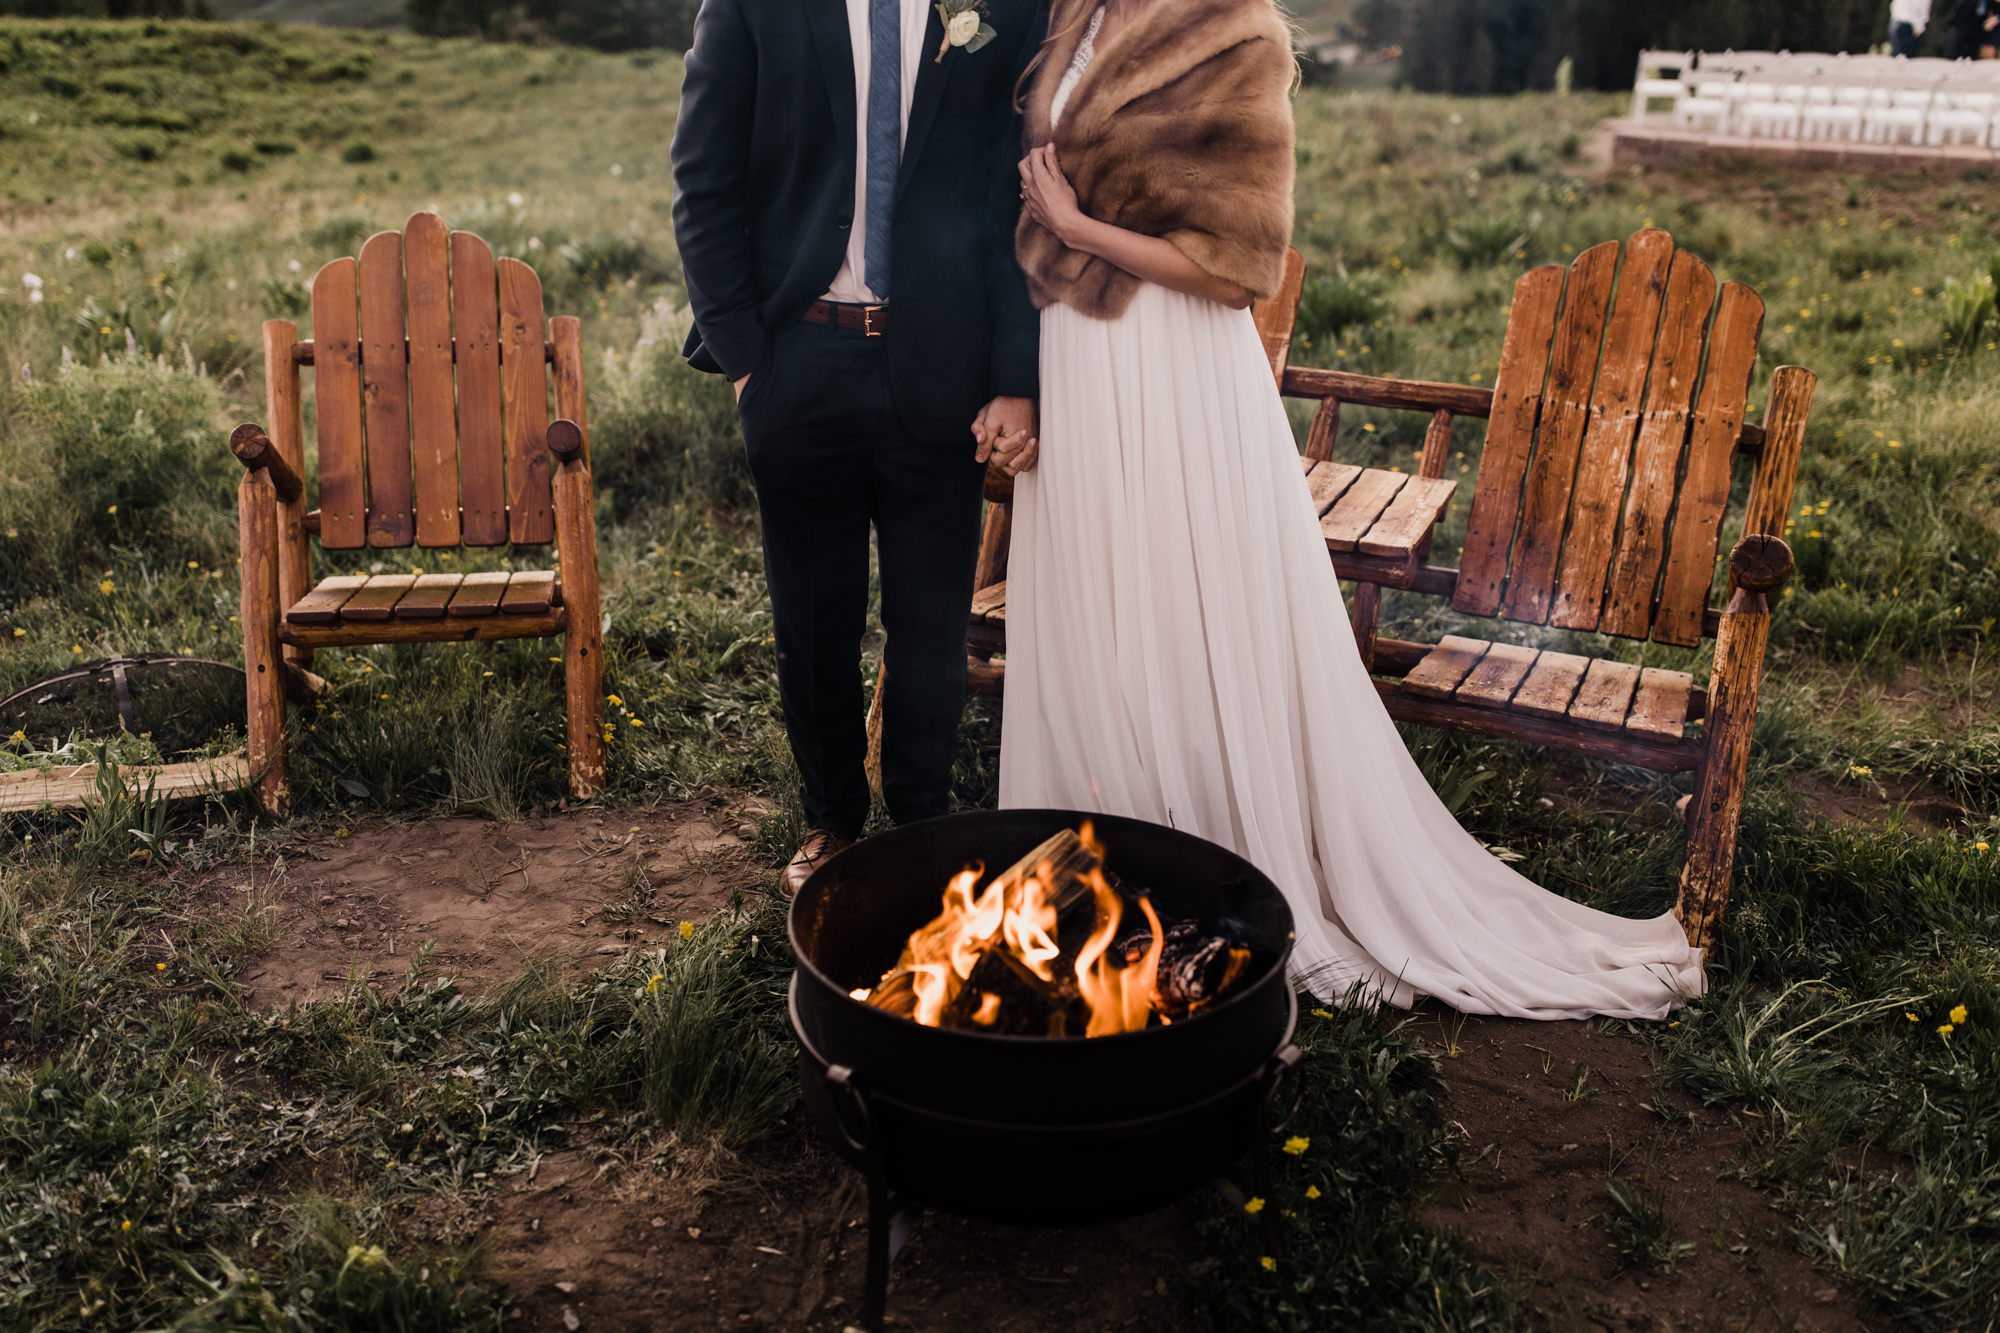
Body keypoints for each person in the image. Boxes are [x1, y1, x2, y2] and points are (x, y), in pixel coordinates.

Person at [999, 0, 1705, 1020]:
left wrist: (1074, 228)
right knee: (1098, 607)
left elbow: (1236, 273)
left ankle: (1203, 860)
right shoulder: (1071, 14)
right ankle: (1098, 853)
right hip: (1075, 357)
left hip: (1172, 367)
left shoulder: (1233, 35)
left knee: (1181, 609)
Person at [672, 0, 1047, 897]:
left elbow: (1008, 197)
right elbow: (704, 176)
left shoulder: (996, 6)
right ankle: (831, 819)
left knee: (929, 625)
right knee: (813, 619)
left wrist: (1012, 375)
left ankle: (924, 823)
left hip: (941, 371)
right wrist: (744, 360)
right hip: (797, 358)